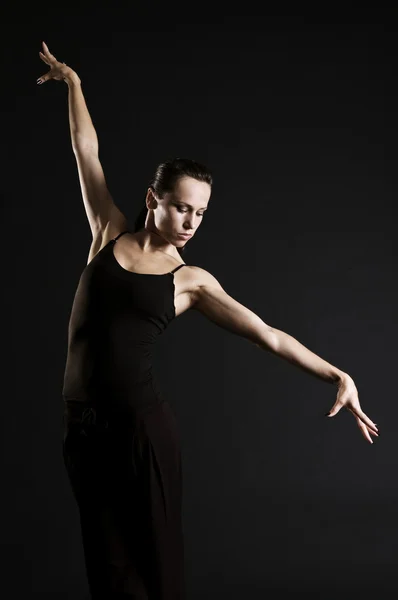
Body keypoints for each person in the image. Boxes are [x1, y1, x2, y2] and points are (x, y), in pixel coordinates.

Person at [37, 41, 379, 599]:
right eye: (181, 207)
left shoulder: (190, 282)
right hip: (82, 428)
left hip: (142, 432)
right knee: (107, 564)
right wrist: (73, 84)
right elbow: (85, 151)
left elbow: (268, 335)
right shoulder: (108, 232)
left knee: (156, 561)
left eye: (200, 212)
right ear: (154, 199)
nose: (191, 220)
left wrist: (338, 374)